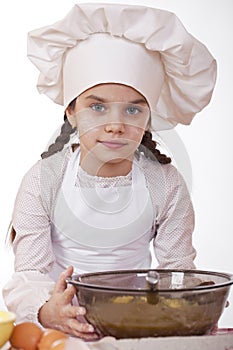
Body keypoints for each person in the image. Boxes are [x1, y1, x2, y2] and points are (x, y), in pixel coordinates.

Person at [3, 3, 217, 339]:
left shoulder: (165, 183)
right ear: (71, 111)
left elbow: (178, 271)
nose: (115, 125)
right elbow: (30, 271)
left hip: (136, 326)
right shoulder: (44, 179)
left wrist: (191, 304)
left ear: (149, 117)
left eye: (133, 109)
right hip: (62, 326)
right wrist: (49, 310)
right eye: (97, 106)